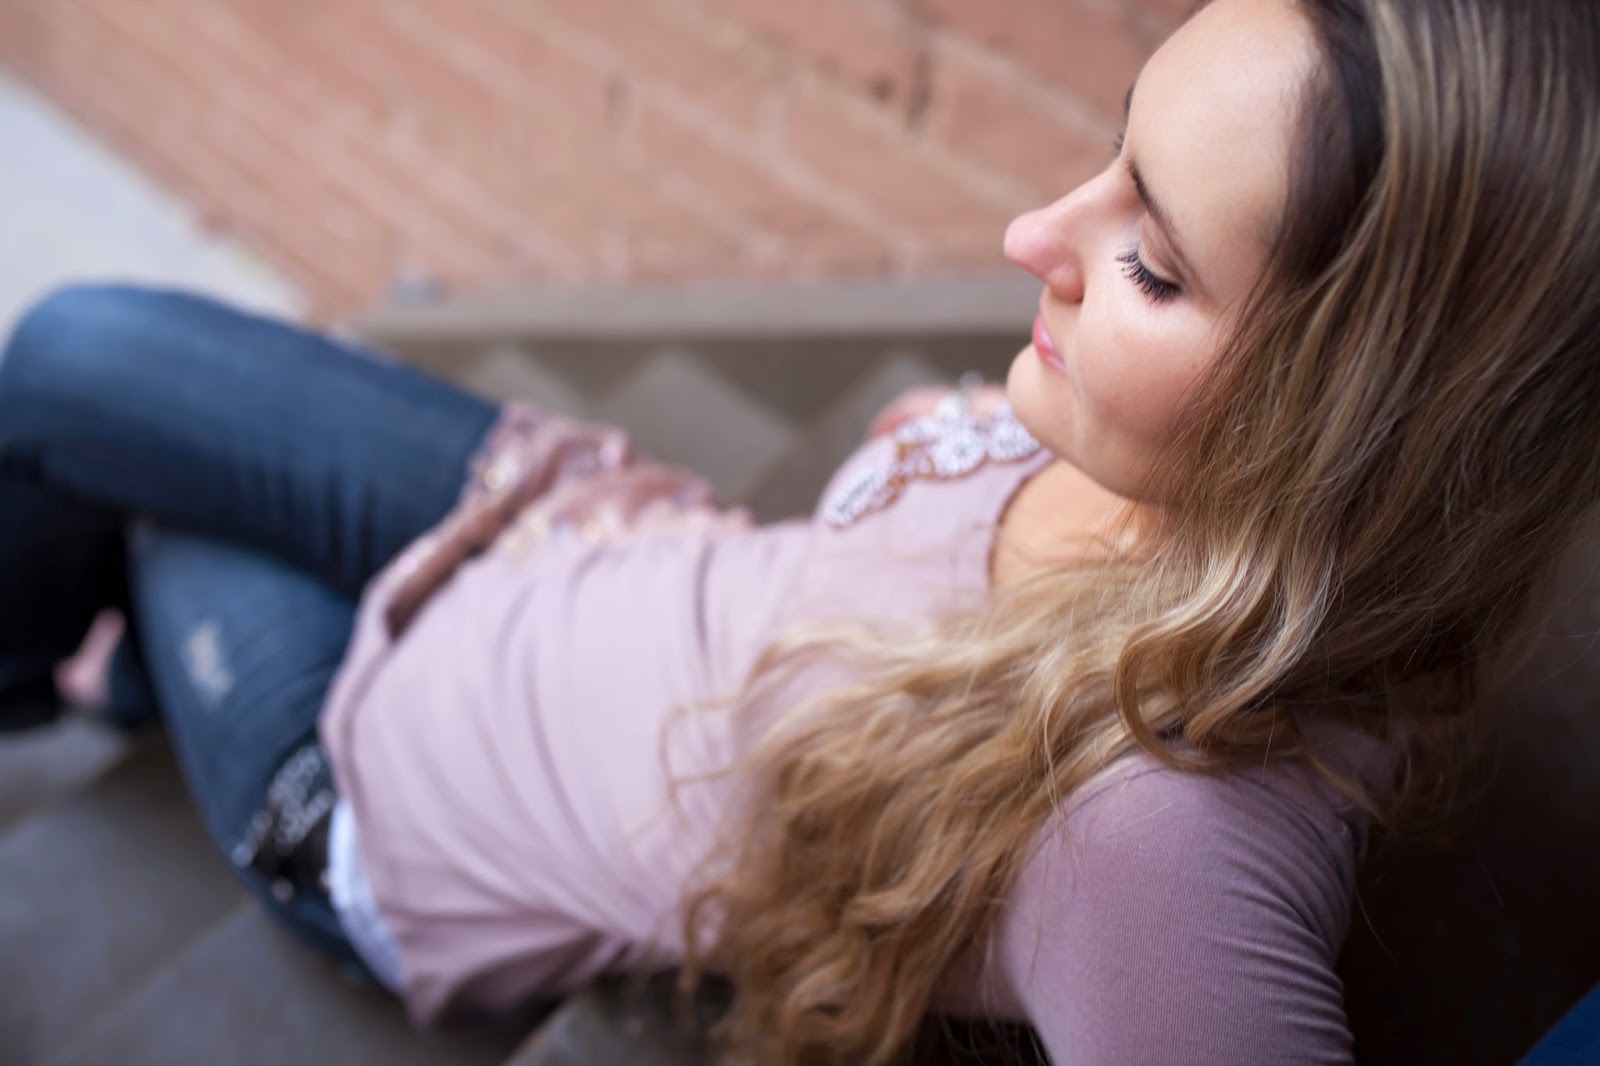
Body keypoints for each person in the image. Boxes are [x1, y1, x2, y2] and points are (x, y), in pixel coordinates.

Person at [3, 0, 1598, 1061]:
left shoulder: (1162, 839)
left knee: (133, 483)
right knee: (78, 348)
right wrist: (944, 444)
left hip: (384, 796)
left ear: (1352, 434)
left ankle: (102, 678)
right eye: (1116, 152)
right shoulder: (1165, 465)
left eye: (1153, 264)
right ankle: (116, 677)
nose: (1031, 232)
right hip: (555, 514)